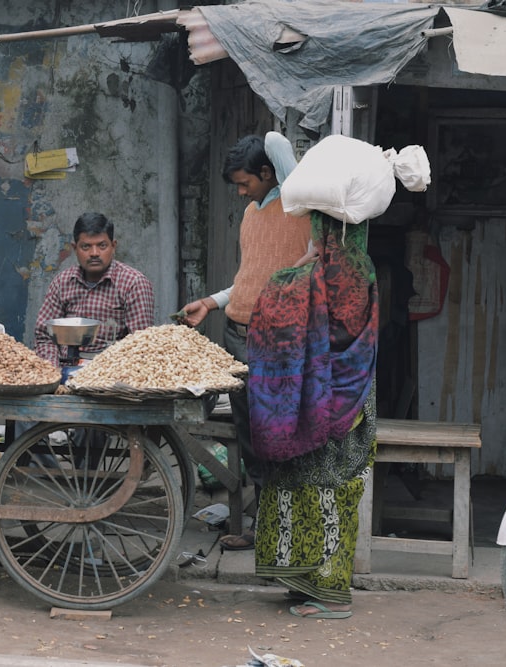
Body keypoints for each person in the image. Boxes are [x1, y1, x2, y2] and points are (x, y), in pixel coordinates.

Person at [180, 133, 314, 551]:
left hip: (276, 342)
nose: (240, 192)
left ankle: (284, 531)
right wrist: (212, 302)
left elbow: (277, 143)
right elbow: (247, 278)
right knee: (252, 439)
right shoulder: (251, 214)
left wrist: (275, 152)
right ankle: (267, 527)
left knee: (278, 438)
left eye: (246, 183)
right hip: (237, 337)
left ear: (267, 172)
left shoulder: (300, 209)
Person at [246, 209, 379, 620]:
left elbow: (278, 301)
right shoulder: (363, 266)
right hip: (350, 400)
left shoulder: (331, 271)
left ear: (327, 231)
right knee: (313, 490)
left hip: (325, 405)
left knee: (326, 494)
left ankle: (332, 595)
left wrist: (293, 272)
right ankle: (304, 583)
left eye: (316, 230)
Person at [34, 212, 155, 373]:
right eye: (86, 246)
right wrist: (52, 372)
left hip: (114, 375)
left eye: (102, 246)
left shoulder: (134, 283)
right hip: (65, 369)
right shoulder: (62, 282)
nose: (94, 253)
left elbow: (142, 345)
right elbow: (44, 337)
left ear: (113, 246)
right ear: (75, 248)